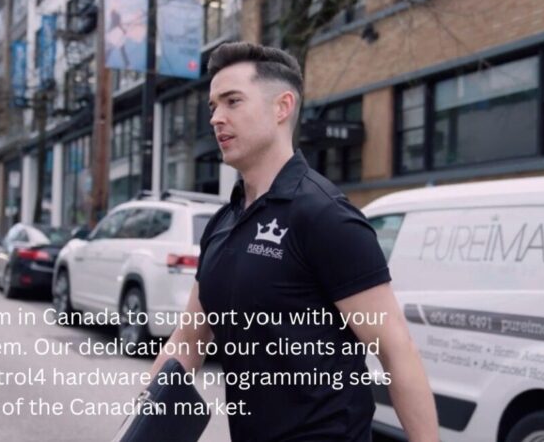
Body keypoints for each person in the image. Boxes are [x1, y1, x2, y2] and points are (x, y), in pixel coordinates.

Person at [150, 42, 439, 441]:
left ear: (282, 107)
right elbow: (188, 341)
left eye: (232, 101)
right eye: (213, 106)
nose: (217, 117)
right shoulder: (222, 223)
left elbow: (396, 349)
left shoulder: (325, 215)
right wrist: (141, 421)